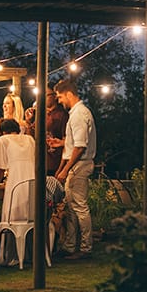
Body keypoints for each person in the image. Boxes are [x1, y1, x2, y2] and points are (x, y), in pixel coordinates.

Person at [52, 78, 96, 260]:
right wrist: (62, 166)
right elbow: (71, 145)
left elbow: (79, 147)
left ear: (69, 94)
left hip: (80, 165)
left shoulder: (79, 114)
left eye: (60, 96)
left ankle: (85, 248)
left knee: (79, 207)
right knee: (70, 207)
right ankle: (69, 246)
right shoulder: (76, 114)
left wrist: (65, 170)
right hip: (75, 165)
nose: (59, 100)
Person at [0, 118, 35, 266]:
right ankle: (30, 253)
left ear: (3, 131)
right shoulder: (30, 139)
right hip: (31, 181)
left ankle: (11, 255)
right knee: (30, 218)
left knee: (12, 218)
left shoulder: (3, 140)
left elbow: (0, 168)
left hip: (15, 181)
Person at [43, 84, 69, 176]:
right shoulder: (40, 114)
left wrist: (61, 169)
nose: (43, 98)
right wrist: (29, 122)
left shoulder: (62, 115)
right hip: (40, 163)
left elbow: (67, 142)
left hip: (55, 163)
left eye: (45, 95)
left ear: (54, 96)